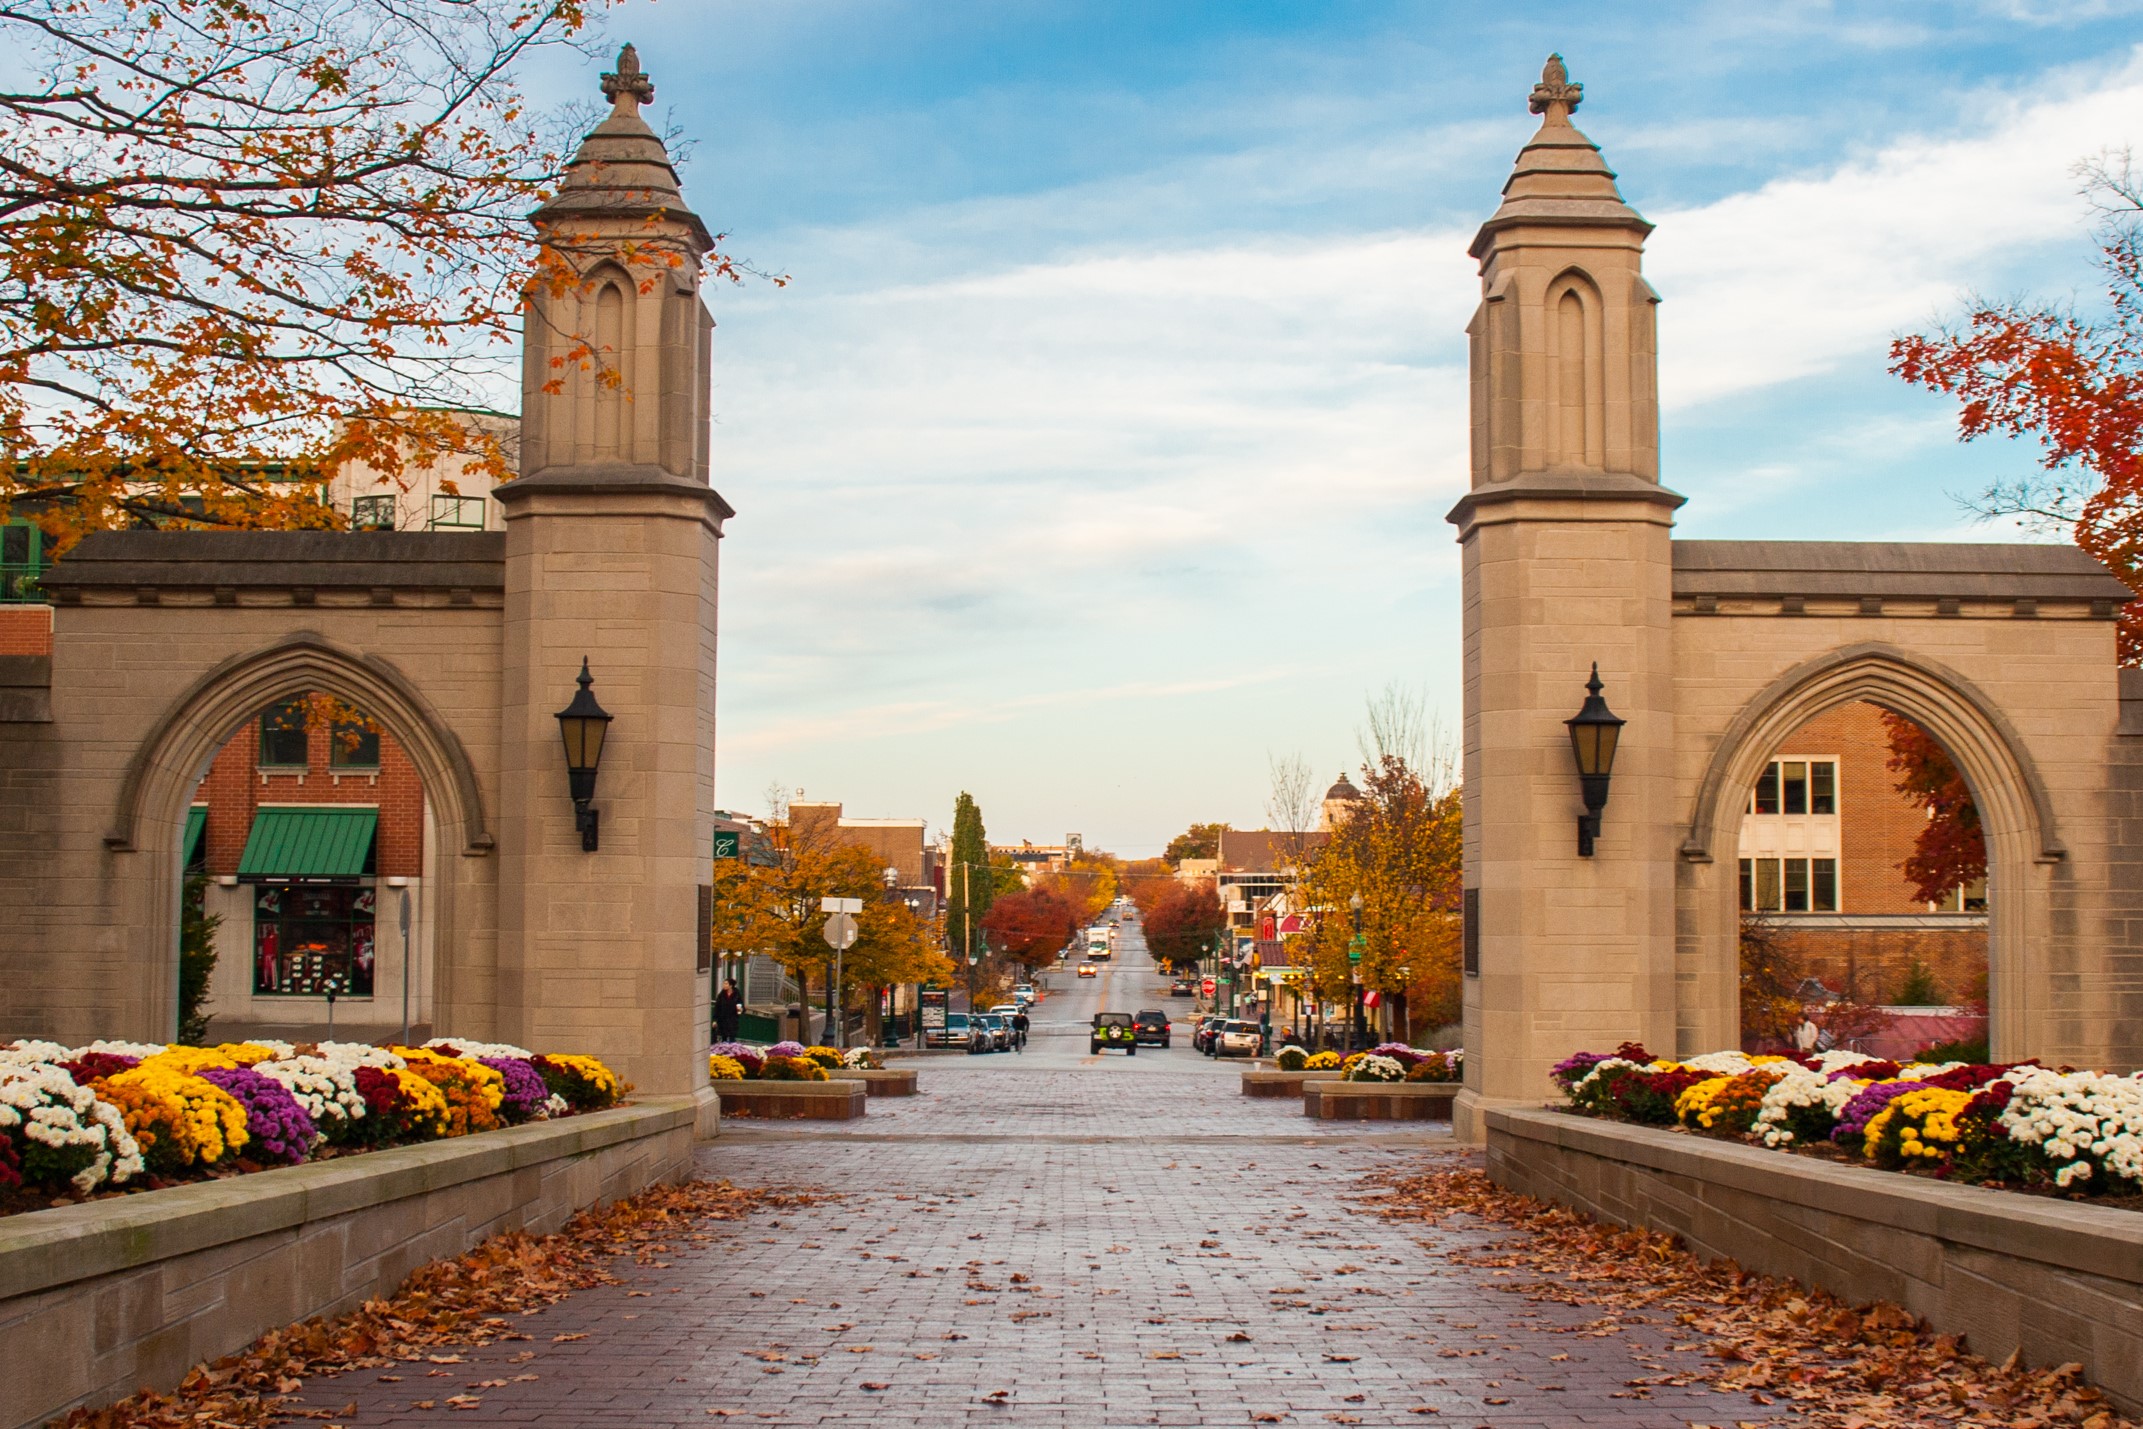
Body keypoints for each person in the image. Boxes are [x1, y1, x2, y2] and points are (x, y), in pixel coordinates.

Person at [713, 978, 741, 1044]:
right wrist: (715, 1020)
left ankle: (732, 1048)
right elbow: (717, 1007)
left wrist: (740, 1010)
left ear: (730, 985)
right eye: (724, 983)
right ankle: (724, 1047)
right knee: (724, 1037)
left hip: (733, 1019)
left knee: (732, 1037)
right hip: (723, 1019)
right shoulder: (721, 995)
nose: (724, 985)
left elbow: (740, 1004)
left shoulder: (737, 994)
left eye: (726, 984)